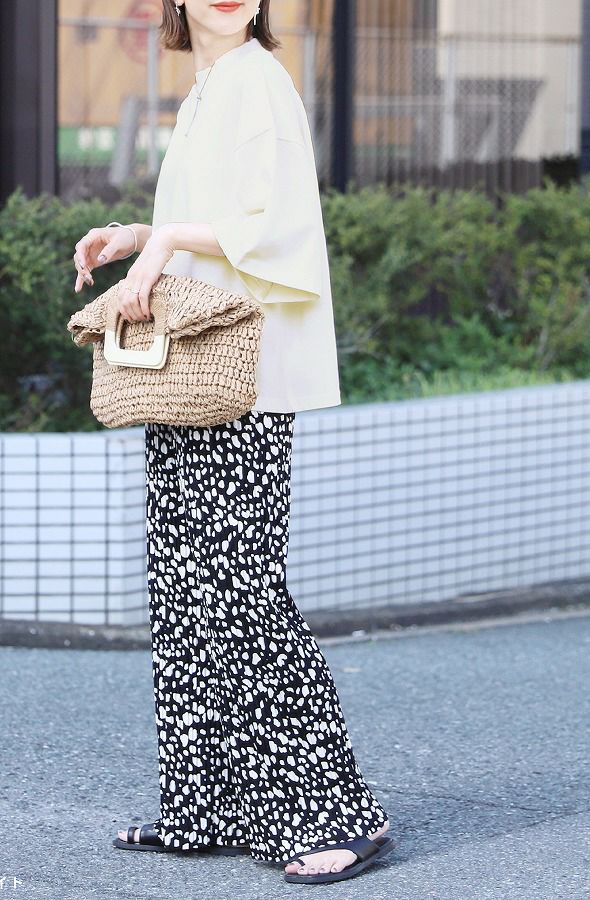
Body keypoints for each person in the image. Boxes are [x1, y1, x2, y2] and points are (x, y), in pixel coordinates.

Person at [72, 0, 395, 886]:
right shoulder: (211, 84)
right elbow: (220, 224)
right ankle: (207, 807)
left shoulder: (259, 81)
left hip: (244, 379)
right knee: (186, 593)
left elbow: (277, 226)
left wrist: (167, 241)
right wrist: (142, 237)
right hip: (199, 375)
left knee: (241, 592)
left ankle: (339, 814)